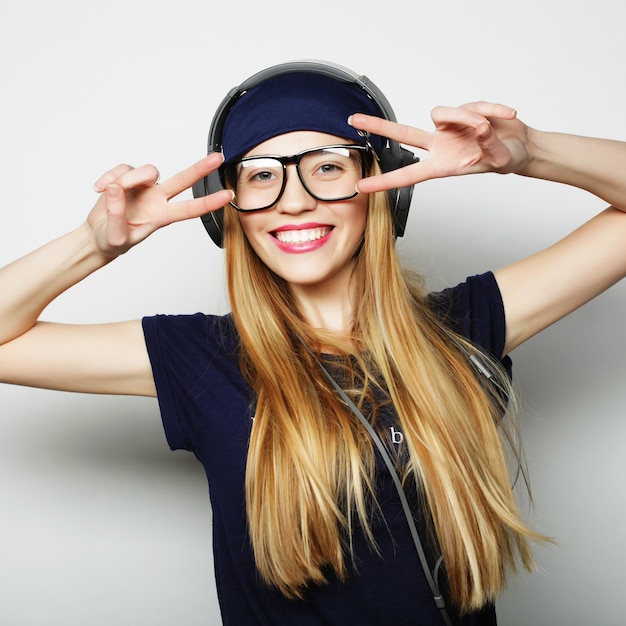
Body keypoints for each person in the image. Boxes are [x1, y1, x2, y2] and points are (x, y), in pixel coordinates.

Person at [1, 60, 625, 626]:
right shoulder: (203, 357)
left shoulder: (464, 326)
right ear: (229, 210)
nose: (294, 201)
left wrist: (529, 152)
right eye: (261, 177)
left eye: (327, 166)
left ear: (383, 188)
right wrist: (94, 244)